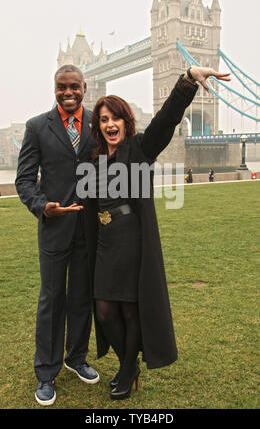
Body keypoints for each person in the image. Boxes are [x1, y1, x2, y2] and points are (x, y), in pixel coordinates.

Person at [81, 66, 231, 400]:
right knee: (105, 311)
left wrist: (188, 79)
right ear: (98, 125)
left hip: (133, 238)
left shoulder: (140, 149)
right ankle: (128, 364)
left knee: (132, 309)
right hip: (105, 242)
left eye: (115, 118)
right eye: (103, 119)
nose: (110, 124)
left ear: (125, 121)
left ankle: (126, 369)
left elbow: (166, 120)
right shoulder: (91, 161)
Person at [15, 64, 99, 406]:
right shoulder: (37, 127)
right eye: (62, 87)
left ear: (84, 87)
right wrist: (41, 206)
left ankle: (75, 357)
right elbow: (23, 180)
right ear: (54, 88)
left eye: (75, 86)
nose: (69, 92)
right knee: (52, 300)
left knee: (82, 297)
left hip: (89, 228)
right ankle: (46, 373)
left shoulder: (98, 121)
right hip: (53, 227)